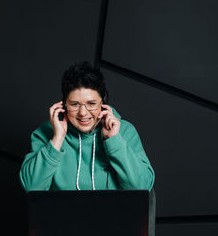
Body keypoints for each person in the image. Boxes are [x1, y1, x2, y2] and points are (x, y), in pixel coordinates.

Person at [19, 61, 155, 192]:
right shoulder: (46, 133)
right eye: (74, 104)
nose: (83, 113)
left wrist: (114, 141)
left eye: (91, 103)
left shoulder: (125, 131)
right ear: (63, 104)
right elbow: (31, 188)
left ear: (103, 101)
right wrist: (57, 140)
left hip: (114, 215)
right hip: (62, 215)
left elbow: (142, 188)